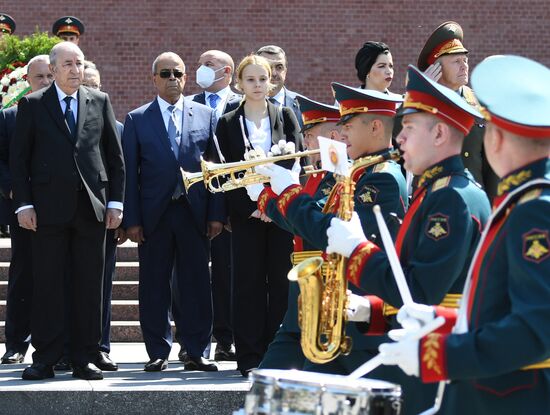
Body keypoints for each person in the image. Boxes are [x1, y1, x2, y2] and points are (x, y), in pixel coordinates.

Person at [377, 55, 550, 415]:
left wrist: (434, 355)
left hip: (512, 401)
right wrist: (445, 320)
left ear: (498, 138)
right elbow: (504, 311)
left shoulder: (534, 208)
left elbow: (535, 331)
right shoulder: (526, 199)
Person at [325, 65, 491, 414]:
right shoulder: (440, 190)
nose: (398, 138)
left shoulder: (449, 198)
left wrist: (357, 250)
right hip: (431, 353)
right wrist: (370, 309)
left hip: (436, 361)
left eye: (409, 128)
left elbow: (419, 293)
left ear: (440, 133)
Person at [255, 85, 407, 375]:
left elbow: (330, 234)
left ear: (375, 127)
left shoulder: (382, 178)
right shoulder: (360, 174)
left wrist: (285, 193)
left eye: (348, 125)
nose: (342, 133)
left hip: (358, 317)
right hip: (337, 309)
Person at [11, 42, 125, 381]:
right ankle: (45, 357)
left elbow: (114, 157)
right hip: (47, 211)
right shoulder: (32, 104)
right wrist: (24, 204)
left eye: (80, 63)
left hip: (92, 208)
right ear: (55, 68)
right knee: (47, 284)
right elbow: (20, 160)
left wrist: (116, 203)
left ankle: (85, 356)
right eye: (69, 64)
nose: (76, 69)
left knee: (89, 286)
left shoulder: (99, 101)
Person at [122, 52, 224, 373]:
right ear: (153, 78)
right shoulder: (137, 119)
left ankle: (196, 350)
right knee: (154, 284)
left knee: (196, 283)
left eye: (178, 73)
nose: (172, 80)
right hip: (155, 216)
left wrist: (216, 214)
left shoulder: (206, 115)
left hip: (194, 213)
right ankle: (157, 350)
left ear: (185, 77)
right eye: (165, 74)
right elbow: (129, 176)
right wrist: (133, 220)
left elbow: (216, 169)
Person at [215, 54, 302, 376]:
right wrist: (252, 207)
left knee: (280, 283)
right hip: (247, 215)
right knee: (248, 284)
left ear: (272, 81)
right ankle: (249, 356)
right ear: (239, 83)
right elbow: (225, 171)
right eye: (250, 79)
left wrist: (275, 205)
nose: (257, 85)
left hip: (280, 214)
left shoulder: (286, 116)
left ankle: (275, 353)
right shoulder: (227, 122)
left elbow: (296, 163)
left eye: (262, 79)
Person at [173, 49, 241, 363]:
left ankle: (226, 338)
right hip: (193, 205)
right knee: (189, 276)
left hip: (230, 207)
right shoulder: (187, 106)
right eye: (199, 63)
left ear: (226, 71)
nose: (201, 69)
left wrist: (225, 209)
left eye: (209, 64)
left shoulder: (242, 104)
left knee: (228, 275)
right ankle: (190, 339)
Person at [0, 55, 53, 365]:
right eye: (39, 77)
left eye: (49, 76)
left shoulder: (72, 113)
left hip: (64, 209)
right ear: (27, 81)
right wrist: (16, 193)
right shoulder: (9, 117)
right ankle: (17, 343)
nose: (45, 82)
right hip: (25, 210)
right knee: (24, 276)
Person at [418, 21, 498, 200]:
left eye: (465, 60)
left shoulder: (480, 104)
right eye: (456, 61)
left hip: (473, 202)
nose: (464, 66)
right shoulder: (420, 103)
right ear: (437, 69)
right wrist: (422, 94)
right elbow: (397, 136)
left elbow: (491, 165)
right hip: (433, 201)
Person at [81, 61, 126, 371]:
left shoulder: (118, 126)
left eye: (95, 85)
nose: (91, 91)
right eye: (86, 85)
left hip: (102, 218)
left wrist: (119, 208)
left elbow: (123, 170)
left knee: (101, 286)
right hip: (67, 217)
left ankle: (101, 346)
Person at [255, 45, 302, 127]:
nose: (274, 73)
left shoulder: (302, 105)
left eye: (279, 67)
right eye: (267, 67)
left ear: (285, 71)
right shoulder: (238, 105)